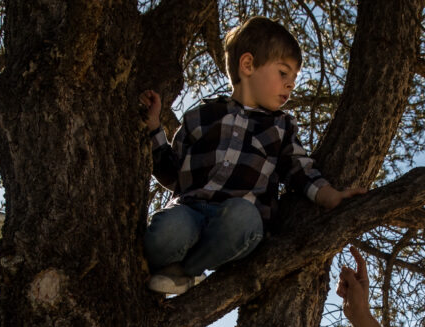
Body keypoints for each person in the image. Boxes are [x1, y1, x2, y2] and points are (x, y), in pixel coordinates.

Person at [140, 16, 364, 295]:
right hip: (190, 210)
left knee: (242, 218)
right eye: (283, 73)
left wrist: (330, 195)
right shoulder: (200, 117)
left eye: (294, 78)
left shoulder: (280, 127)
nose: (290, 85)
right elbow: (173, 174)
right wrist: (154, 130)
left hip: (237, 223)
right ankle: (166, 265)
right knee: (167, 229)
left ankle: (188, 271)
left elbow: (300, 168)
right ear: (248, 65)